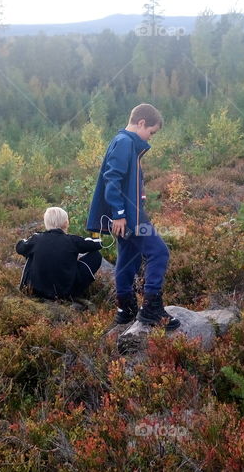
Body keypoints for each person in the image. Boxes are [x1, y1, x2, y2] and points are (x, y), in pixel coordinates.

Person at [85, 103, 180, 330]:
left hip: (129, 215)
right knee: (159, 252)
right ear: (141, 123)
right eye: (151, 132)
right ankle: (151, 309)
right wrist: (119, 214)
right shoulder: (125, 142)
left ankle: (125, 310)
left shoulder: (123, 142)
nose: (150, 137)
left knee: (128, 258)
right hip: (130, 217)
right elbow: (112, 179)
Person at [16, 206, 103, 301]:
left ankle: (33, 285)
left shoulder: (36, 238)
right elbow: (97, 244)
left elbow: (20, 248)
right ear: (66, 223)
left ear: (46, 223)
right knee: (96, 255)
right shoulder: (72, 240)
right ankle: (75, 290)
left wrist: (26, 242)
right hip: (67, 292)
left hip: (36, 291)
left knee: (31, 251)